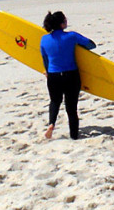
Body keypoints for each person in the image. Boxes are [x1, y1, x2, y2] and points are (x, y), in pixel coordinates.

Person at [40, 11, 96, 140]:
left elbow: (45, 60)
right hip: (71, 75)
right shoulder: (72, 36)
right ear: (62, 24)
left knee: (55, 101)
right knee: (71, 107)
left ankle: (51, 124)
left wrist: (47, 71)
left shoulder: (44, 39)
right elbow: (91, 45)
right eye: (65, 20)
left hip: (53, 76)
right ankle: (74, 135)